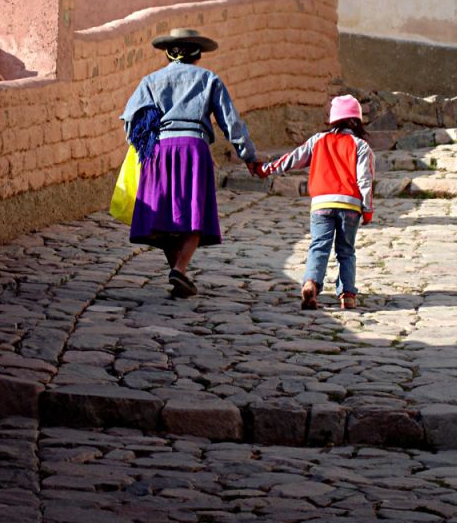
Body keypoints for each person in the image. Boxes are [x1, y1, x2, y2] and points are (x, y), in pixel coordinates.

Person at [120, 27, 259, 298]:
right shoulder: (208, 79)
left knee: (161, 216)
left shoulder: (150, 81)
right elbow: (231, 123)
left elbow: (131, 121)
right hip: (193, 149)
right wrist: (249, 157)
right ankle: (180, 270)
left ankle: (178, 271)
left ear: (168, 55)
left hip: (157, 150)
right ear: (197, 55)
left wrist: (142, 148)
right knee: (196, 213)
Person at [256, 95, 374, 311]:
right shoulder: (361, 146)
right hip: (350, 205)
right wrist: (367, 209)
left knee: (318, 247)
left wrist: (266, 169)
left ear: (332, 119)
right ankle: (347, 295)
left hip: (321, 204)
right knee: (346, 250)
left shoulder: (317, 140)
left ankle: (311, 283)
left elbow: (292, 158)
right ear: (356, 121)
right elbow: (364, 179)